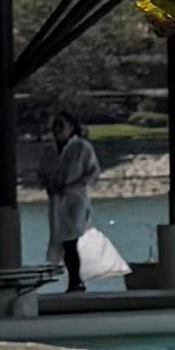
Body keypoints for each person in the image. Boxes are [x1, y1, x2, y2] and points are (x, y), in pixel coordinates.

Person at [41, 108, 99, 290]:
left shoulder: (82, 147)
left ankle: (76, 280)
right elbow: (42, 173)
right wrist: (49, 184)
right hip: (57, 202)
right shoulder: (49, 150)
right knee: (62, 240)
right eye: (55, 126)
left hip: (76, 200)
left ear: (71, 127)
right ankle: (75, 280)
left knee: (71, 239)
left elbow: (93, 172)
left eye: (61, 125)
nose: (57, 129)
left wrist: (72, 185)